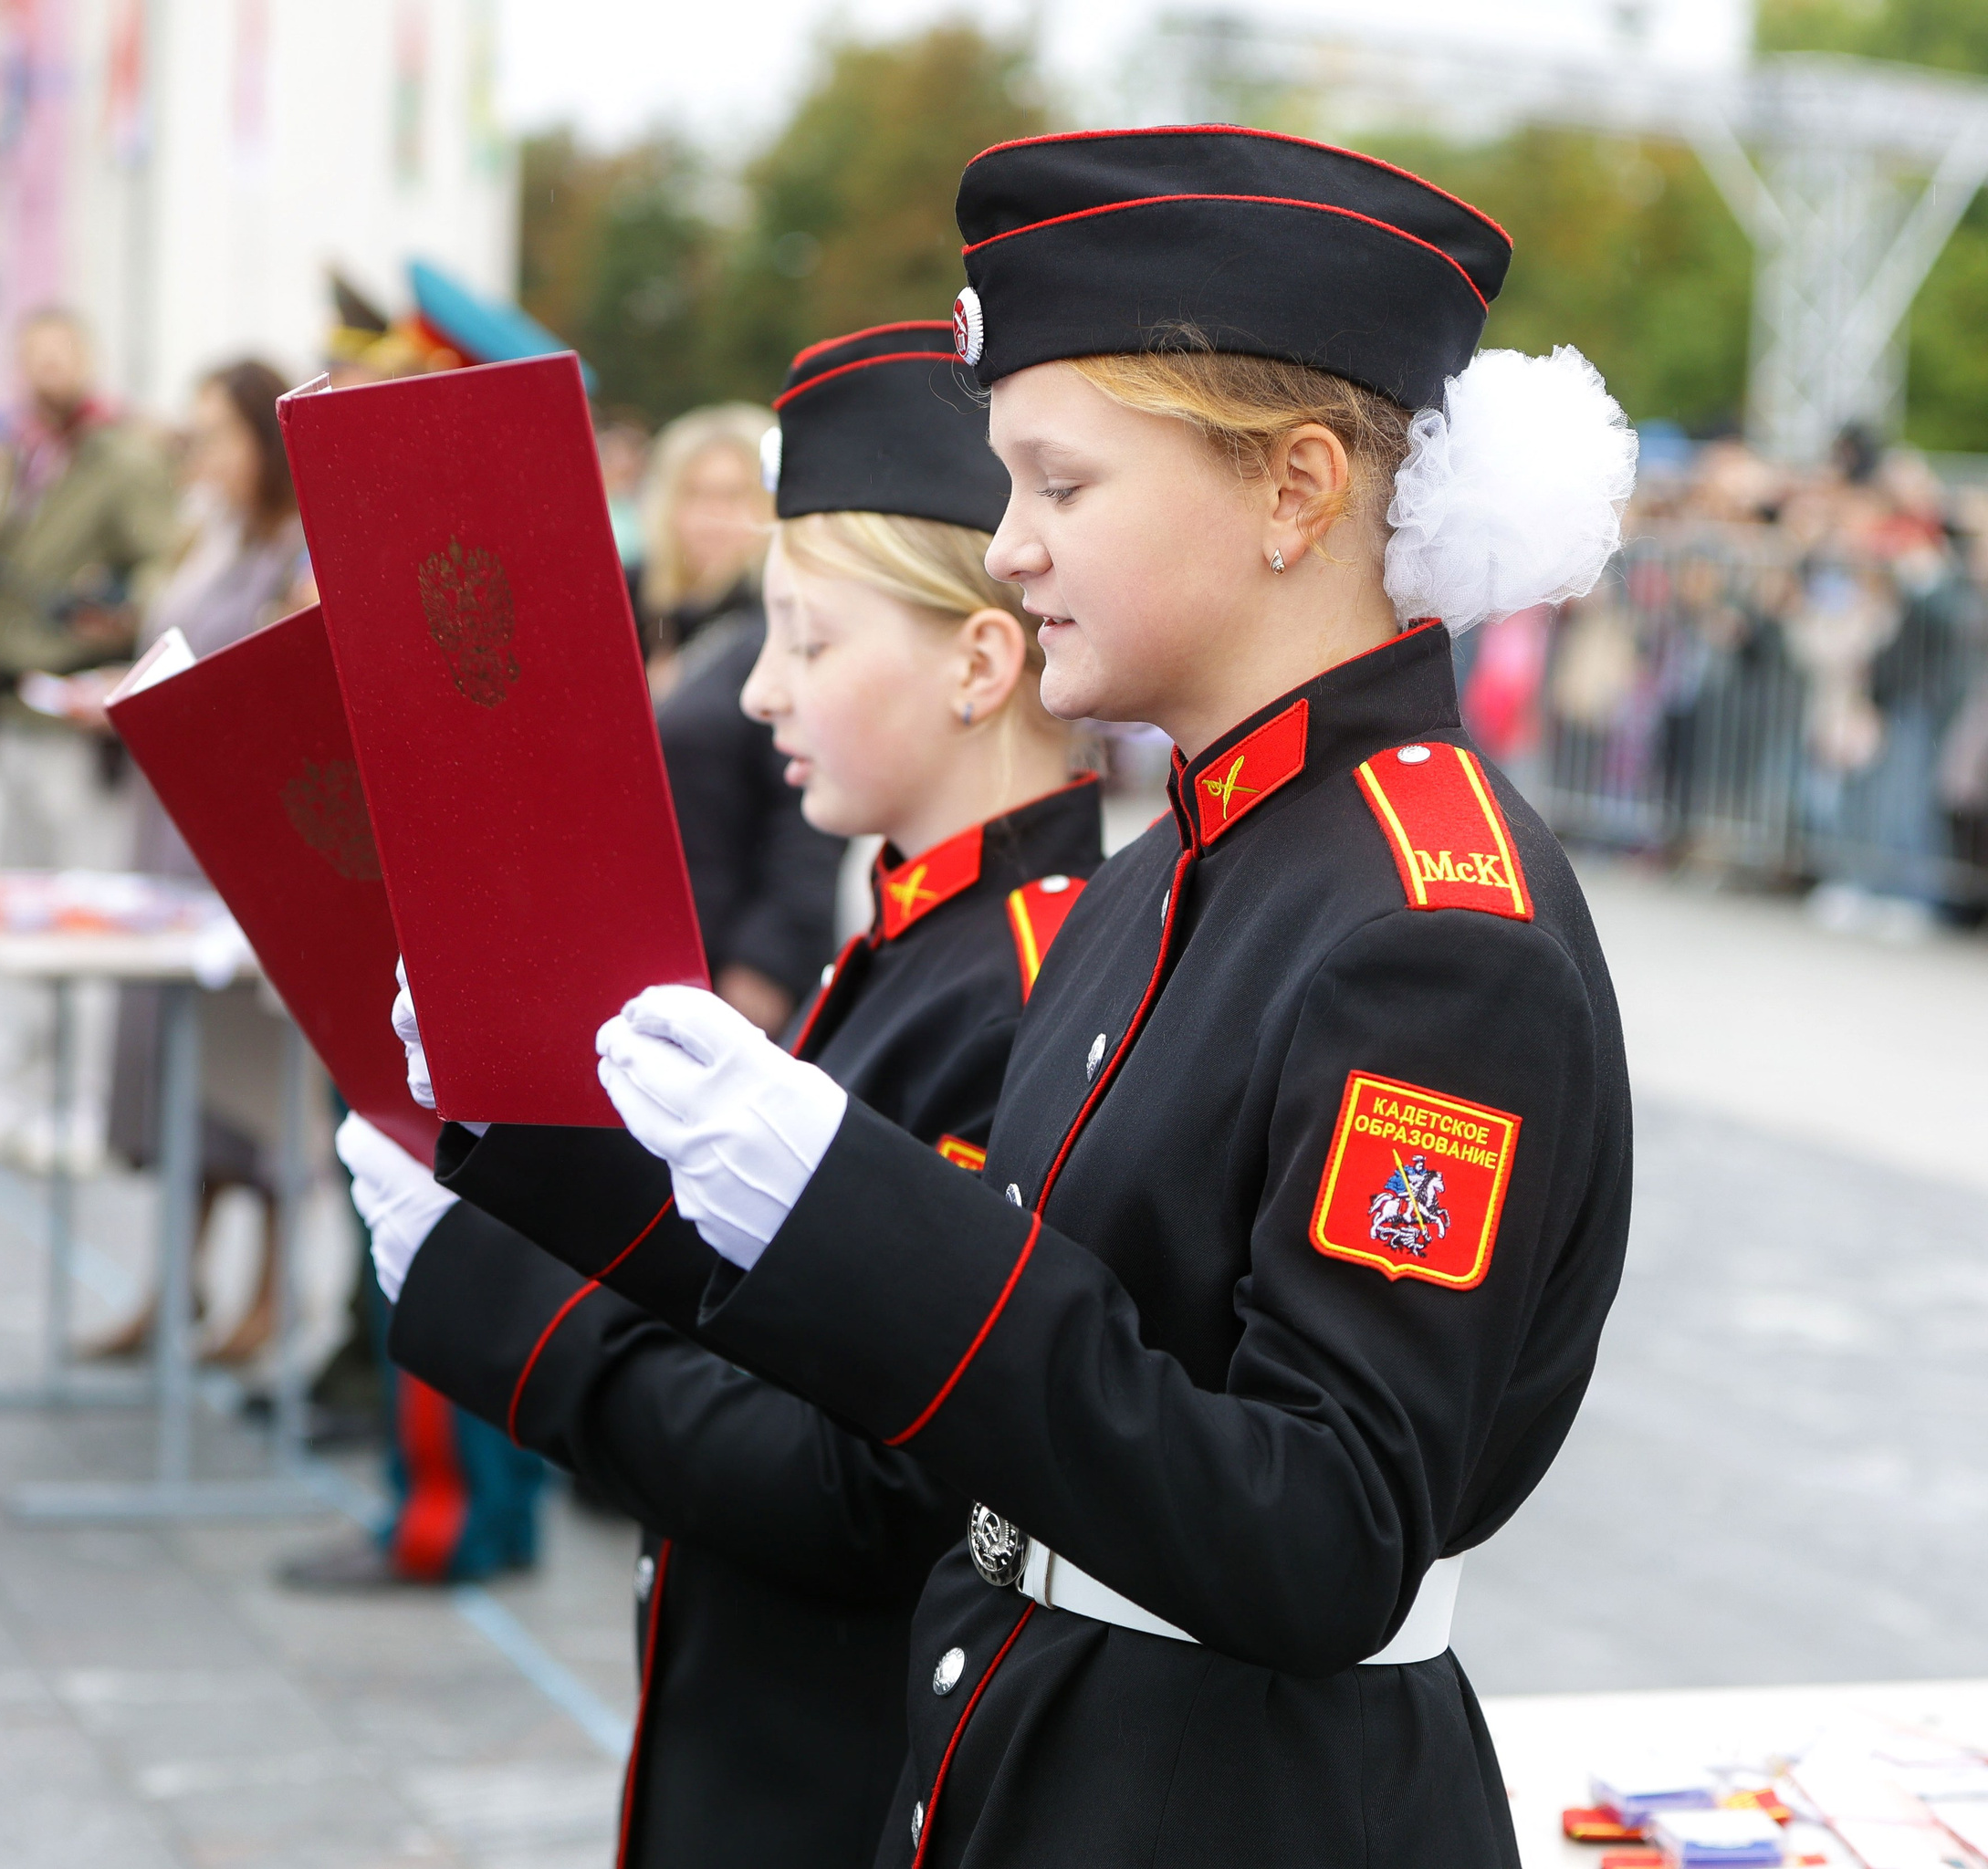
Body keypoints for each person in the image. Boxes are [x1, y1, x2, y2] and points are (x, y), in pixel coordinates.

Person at [485, 129, 1637, 1865]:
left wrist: (857, 1205)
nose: (1009, 550)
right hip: (1042, 1745)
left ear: (1294, 488)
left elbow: (1325, 1530)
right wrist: (519, 1148)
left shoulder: (1429, 922)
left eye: (1061, 484)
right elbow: (1041, 1332)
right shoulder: (1155, 878)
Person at [340, 322, 1103, 1864]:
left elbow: (866, 1485)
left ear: (980, 657)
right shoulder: (922, 937)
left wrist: (507, 1310)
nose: (761, 691)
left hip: (844, 1774)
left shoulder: (1022, 975)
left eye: (809, 639)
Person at [84, 359, 315, 1363]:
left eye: (218, 434)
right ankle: (174, 1278)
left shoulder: (298, 551)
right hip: (171, 820)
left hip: (241, 833)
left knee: (250, 1074)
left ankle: (269, 1295)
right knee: (175, 1066)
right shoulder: (208, 536)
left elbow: (286, 692)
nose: (203, 453)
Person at [0, 307, 178, 1170]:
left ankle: (87, 1102)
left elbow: (158, 572)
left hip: (75, 709)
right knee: (23, 906)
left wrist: (114, 605)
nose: (44, 371)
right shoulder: (19, 452)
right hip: (11, 702)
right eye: (31, 358)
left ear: (88, 359)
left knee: (86, 908)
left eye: (59, 355)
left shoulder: (125, 456)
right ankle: (21, 1084)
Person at [637, 403, 844, 1036]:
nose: (712, 518)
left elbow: (808, 817)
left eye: (735, 497)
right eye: (694, 495)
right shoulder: (642, 614)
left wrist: (766, 966)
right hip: (639, 948)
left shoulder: (783, 628)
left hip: (727, 962)